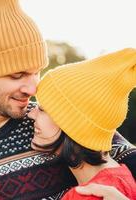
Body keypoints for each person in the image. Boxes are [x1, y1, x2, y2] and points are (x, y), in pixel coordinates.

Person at [0, 0, 136, 199]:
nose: (33, 88)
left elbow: (120, 164)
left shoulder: (59, 117)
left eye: (37, 72)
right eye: (17, 75)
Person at [28, 48, 136, 199]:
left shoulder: (85, 196)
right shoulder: (123, 177)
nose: (31, 113)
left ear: (74, 126)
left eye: (42, 109)